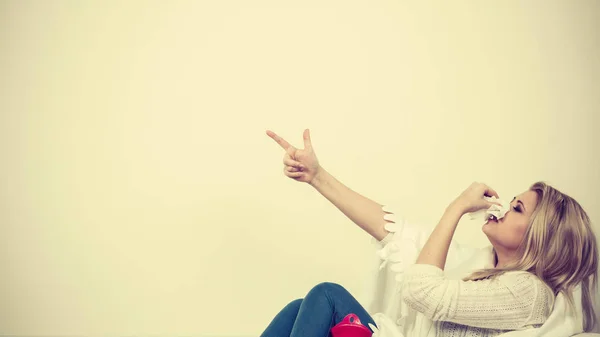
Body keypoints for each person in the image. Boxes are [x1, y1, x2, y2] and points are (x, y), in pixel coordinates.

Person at [260, 129, 599, 337]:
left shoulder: (529, 292)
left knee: (327, 295)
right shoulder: (475, 267)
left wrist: (456, 207)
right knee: (299, 307)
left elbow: (422, 290)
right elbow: (393, 230)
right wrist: (317, 176)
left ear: (541, 238)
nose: (505, 208)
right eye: (512, 202)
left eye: (518, 209)